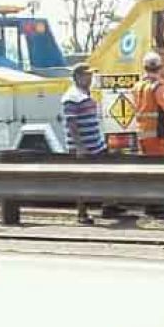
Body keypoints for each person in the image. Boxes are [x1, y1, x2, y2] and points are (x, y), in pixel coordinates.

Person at [61, 63, 107, 224]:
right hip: (83, 148)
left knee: (104, 176)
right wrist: (79, 147)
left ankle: (109, 206)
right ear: (78, 77)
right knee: (82, 180)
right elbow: (71, 124)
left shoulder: (86, 94)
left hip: (96, 145)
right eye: (87, 75)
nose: (90, 78)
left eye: (91, 75)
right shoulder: (71, 97)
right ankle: (82, 214)